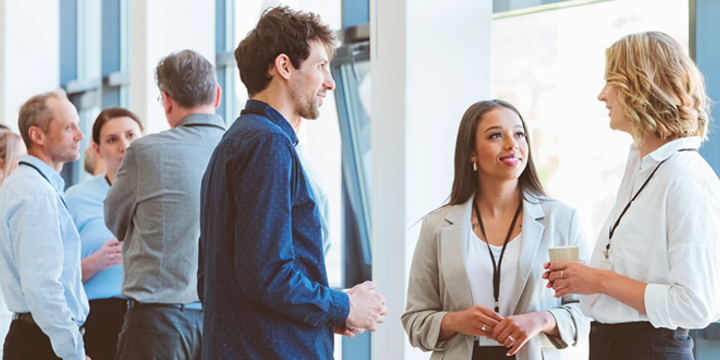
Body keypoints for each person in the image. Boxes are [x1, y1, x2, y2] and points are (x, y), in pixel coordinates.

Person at [199, 6, 388, 359]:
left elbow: (220, 278)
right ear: (284, 66)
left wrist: (323, 314)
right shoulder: (268, 144)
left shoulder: (235, 142)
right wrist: (342, 305)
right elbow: (267, 274)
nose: (329, 82)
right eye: (320, 66)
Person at [545, 31, 720, 360]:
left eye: (610, 81)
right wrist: (586, 277)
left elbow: (697, 305)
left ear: (641, 87)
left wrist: (599, 280)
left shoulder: (685, 177)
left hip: (648, 350)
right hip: (614, 346)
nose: (601, 95)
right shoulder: (642, 170)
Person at [402, 100, 591, 360]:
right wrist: (457, 321)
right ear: (472, 153)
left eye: (519, 134)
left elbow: (585, 312)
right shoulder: (437, 226)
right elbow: (415, 321)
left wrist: (542, 319)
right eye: (495, 135)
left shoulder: (562, 219)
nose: (512, 144)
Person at [104, 50, 225, 360]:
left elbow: (114, 220)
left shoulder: (147, 152)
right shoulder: (243, 149)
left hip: (158, 326)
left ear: (167, 100)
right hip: (223, 324)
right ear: (217, 95)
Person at [0, 89, 90, 359]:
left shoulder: (33, 186)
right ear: (37, 135)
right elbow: (43, 287)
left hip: (39, 336)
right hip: (42, 342)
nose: (80, 135)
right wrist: (72, 351)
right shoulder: (35, 192)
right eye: (68, 127)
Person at [65, 108, 144, 360]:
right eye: (112, 140)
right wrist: (96, 262)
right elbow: (54, 278)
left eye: (132, 135)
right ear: (97, 149)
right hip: (97, 319)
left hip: (151, 318)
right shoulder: (75, 199)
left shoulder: (162, 194)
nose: (125, 145)